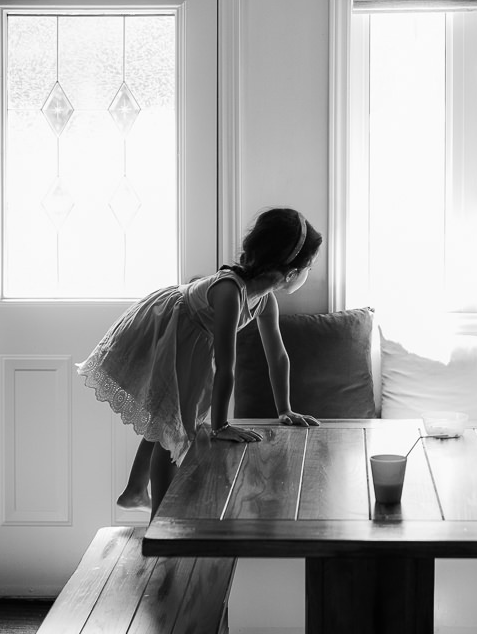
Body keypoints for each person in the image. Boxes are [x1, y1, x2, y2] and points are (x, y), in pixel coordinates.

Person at [77, 207, 322, 514]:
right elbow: (224, 365)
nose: (308, 274)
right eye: (309, 268)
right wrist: (221, 425)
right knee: (174, 426)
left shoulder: (265, 301)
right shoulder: (231, 292)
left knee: (166, 419)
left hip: (194, 339)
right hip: (174, 327)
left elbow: (278, 357)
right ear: (291, 272)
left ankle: (135, 489)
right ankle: (161, 521)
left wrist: (284, 409)